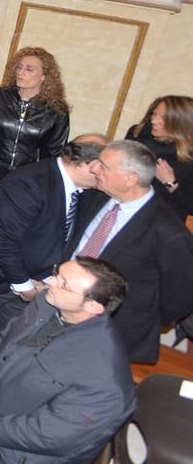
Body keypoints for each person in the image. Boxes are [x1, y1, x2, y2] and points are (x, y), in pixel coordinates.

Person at [0, 258, 136, 464]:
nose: (51, 282)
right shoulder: (48, 302)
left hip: (16, 454)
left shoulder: (105, 382)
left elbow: (47, 435)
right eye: (57, 274)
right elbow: (3, 342)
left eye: (64, 285)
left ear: (93, 306)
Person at [0, 135, 107, 351]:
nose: (108, 174)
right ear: (92, 165)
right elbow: (4, 240)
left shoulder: (87, 191)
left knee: (5, 350)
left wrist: (45, 279)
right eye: (106, 167)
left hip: (32, 283)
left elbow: (62, 238)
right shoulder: (29, 182)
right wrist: (23, 284)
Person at [63, 139, 193, 363]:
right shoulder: (96, 196)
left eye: (103, 166)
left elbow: (180, 297)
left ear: (130, 178)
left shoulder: (168, 233)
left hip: (111, 337)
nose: (94, 168)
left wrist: (138, 317)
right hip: (62, 312)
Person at [0, 47, 70, 207]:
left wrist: (35, 184)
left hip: (26, 180)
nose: (20, 72)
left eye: (29, 69)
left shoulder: (56, 110)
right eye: (19, 67)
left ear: (44, 76)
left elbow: (53, 156)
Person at [124, 95, 193, 217]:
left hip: (158, 219)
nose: (154, 121)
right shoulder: (137, 134)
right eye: (154, 114)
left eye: (163, 118)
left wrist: (171, 183)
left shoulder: (189, 157)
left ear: (181, 122)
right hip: (120, 206)